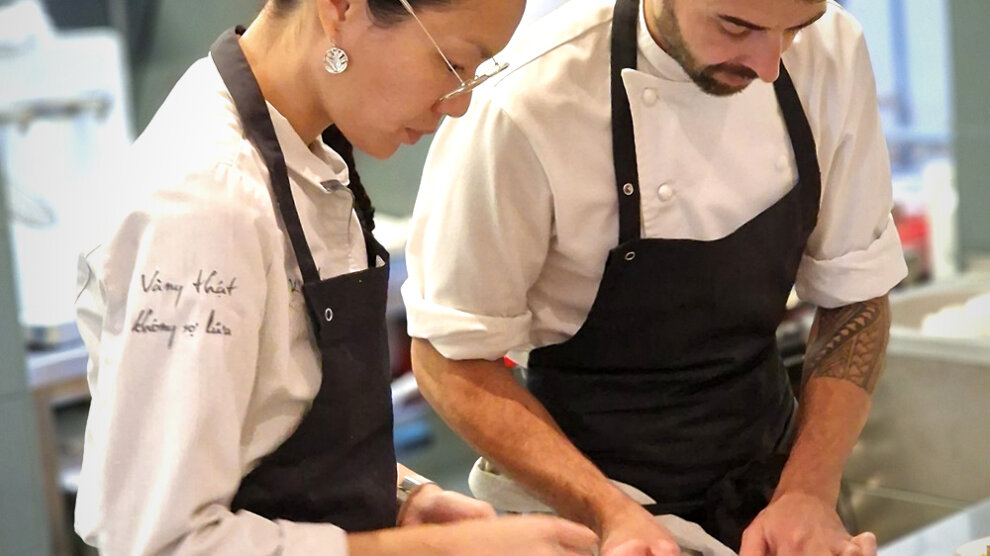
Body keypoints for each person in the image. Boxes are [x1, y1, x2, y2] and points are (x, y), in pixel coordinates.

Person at [72, 0, 602, 554]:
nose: (461, 104)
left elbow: (268, 425)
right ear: (340, 8)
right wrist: (435, 552)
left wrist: (397, 497)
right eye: (452, 64)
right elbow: (163, 541)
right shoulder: (205, 200)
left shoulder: (306, 149)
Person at [401, 0, 908, 554]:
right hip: (585, 508)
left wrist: (808, 488)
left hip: (770, 484)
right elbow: (449, 357)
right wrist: (610, 514)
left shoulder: (831, 49)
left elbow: (856, 293)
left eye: (794, 30)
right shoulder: (527, 102)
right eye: (737, 26)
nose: (769, 65)